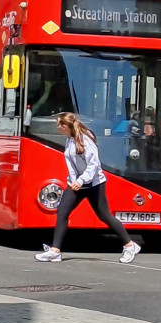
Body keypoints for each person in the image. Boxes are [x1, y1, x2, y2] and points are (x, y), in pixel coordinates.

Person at [35, 113, 142, 264]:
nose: (57, 127)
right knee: (62, 212)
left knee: (104, 215)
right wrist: (74, 181)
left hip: (94, 183)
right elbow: (72, 165)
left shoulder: (85, 139)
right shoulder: (70, 139)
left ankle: (130, 245)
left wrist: (81, 180)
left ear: (66, 126)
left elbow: (94, 164)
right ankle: (55, 251)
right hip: (77, 184)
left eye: (59, 124)